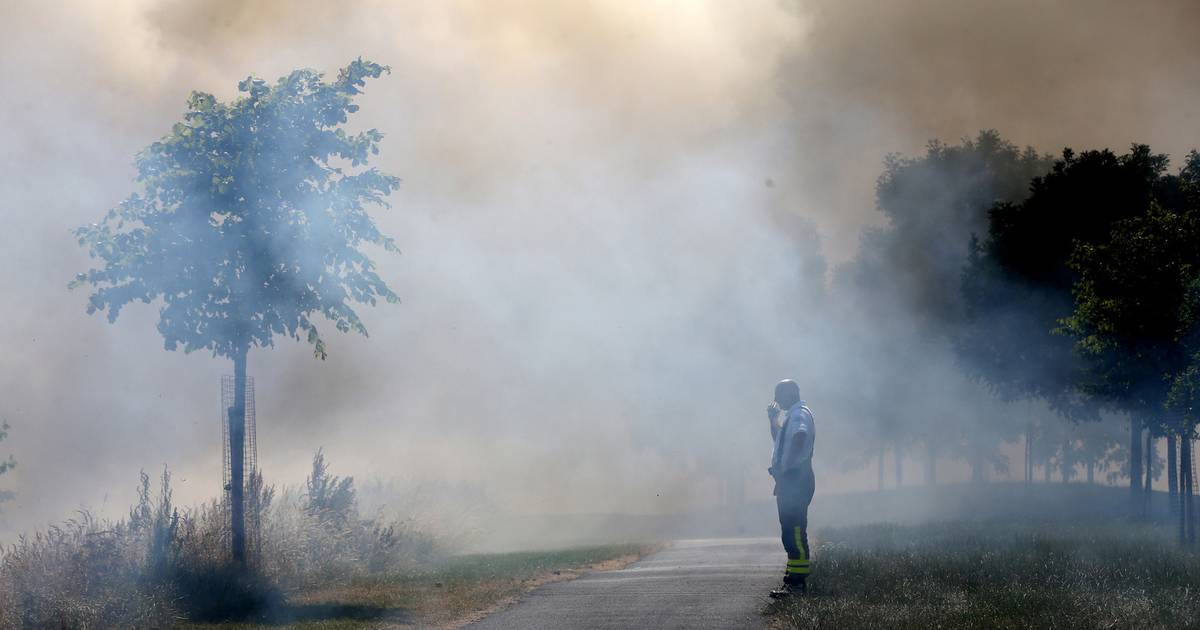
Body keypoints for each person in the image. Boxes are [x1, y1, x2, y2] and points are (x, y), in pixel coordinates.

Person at [766, 379, 815, 597]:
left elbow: (800, 436)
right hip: (791, 480)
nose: (777, 400)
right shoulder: (790, 417)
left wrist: (786, 469)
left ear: (789, 394)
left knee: (794, 531)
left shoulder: (799, 415)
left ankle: (797, 585)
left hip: (796, 479)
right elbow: (780, 441)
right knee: (789, 531)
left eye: (779, 395)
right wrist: (773, 419)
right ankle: (793, 581)